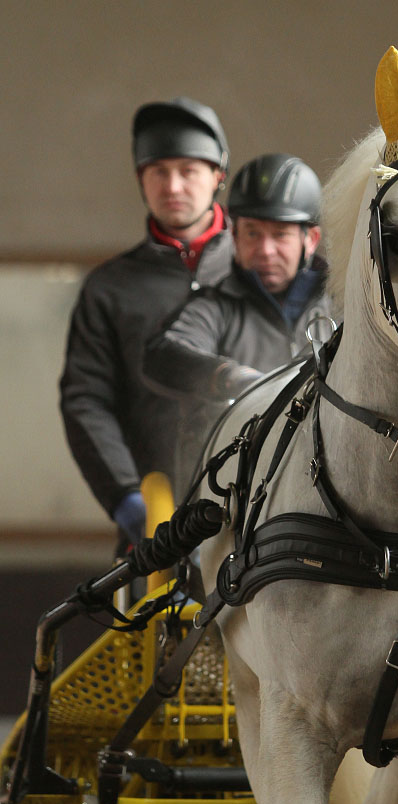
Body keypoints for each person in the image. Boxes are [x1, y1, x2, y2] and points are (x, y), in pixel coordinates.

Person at [59, 97, 233, 547]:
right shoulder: (110, 288)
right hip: (156, 527)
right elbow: (85, 400)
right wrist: (125, 498)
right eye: (158, 172)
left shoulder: (267, 272)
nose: (173, 185)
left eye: (188, 170)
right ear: (141, 180)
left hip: (263, 514)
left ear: (218, 176)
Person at [142, 153, 333, 493]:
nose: (266, 250)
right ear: (234, 236)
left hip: (323, 486)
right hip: (229, 492)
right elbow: (162, 353)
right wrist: (227, 376)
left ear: (311, 239)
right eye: (252, 234)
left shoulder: (344, 305)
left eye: (281, 235)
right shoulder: (214, 307)